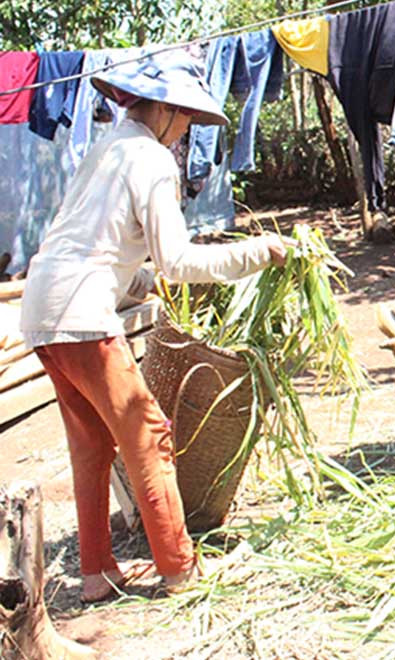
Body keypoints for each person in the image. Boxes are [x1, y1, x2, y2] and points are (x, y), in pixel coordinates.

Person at [19, 49, 288, 603]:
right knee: (148, 435)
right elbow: (181, 262)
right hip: (82, 318)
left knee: (92, 445)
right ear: (164, 109)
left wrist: (137, 283)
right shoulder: (152, 161)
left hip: (44, 308)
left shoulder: (107, 149)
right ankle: (179, 569)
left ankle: (97, 574)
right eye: (185, 118)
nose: (185, 130)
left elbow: (94, 244)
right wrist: (259, 252)